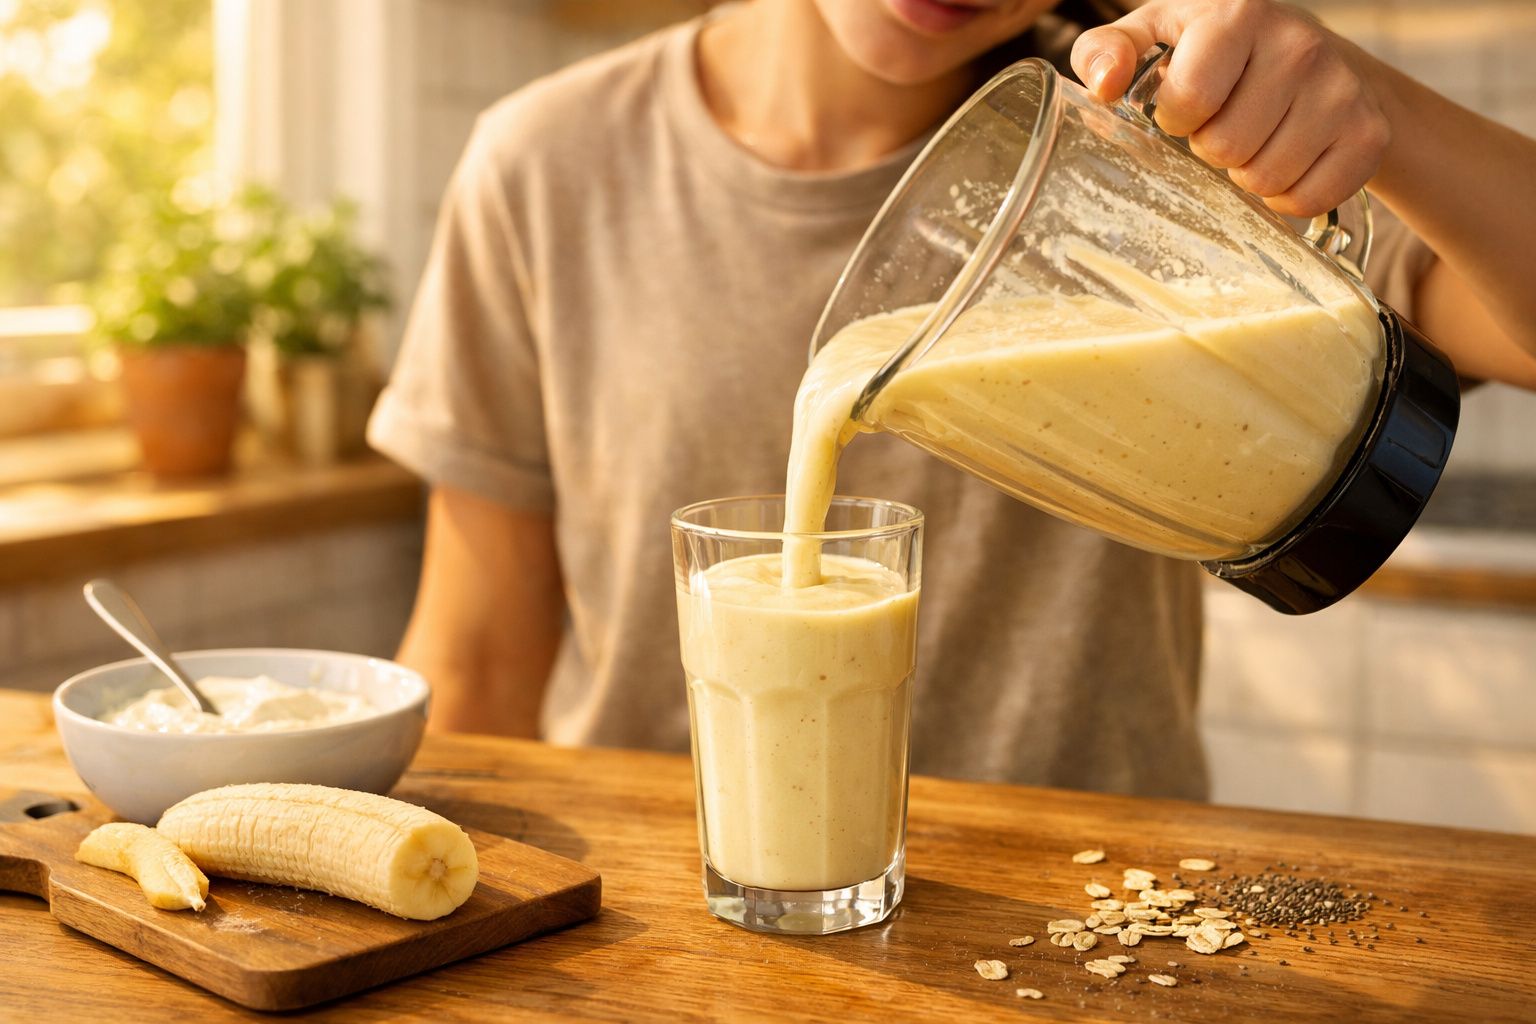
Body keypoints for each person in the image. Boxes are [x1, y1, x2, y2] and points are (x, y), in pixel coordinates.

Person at [367, 0, 1536, 798]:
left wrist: (1372, 103)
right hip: (673, 928)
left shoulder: (1162, 142)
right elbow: (477, 658)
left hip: (1093, 920)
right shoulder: (543, 165)